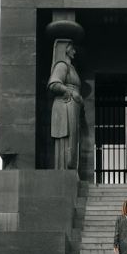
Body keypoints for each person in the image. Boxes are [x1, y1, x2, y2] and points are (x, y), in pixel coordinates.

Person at [47, 39, 82, 169]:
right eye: (72, 48)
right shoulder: (62, 65)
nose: (74, 51)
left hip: (73, 105)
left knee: (73, 141)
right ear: (66, 49)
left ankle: (71, 168)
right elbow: (54, 84)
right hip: (66, 105)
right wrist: (69, 91)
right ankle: (63, 168)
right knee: (66, 140)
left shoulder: (71, 67)